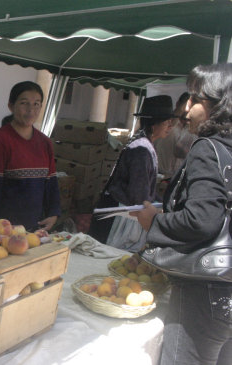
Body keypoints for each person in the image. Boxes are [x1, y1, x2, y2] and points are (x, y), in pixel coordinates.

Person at [132, 63, 232, 365]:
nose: (185, 109)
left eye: (194, 99)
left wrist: (155, 222)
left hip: (205, 292)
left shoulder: (208, 148)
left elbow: (202, 220)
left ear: (219, 104)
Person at [88, 95, 174, 251]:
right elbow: (138, 194)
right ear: (154, 124)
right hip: (120, 216)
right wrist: (155, 209)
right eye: (167, 122)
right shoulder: (141, 150)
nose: (170, 126)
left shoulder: (144, 144)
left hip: (126, 210)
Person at [0, 81, 60, 232]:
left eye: (36, 104)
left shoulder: (45, 143)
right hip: (6, 229)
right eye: (24, 103)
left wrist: (53, 213)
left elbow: (51, 182)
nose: (31, 110)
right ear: (11, 106)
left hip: (37, 226)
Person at [155, 92, 197, 178]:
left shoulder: (191, 128)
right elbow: (172, 121)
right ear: (178, 104)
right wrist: (180, 110)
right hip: (159, 175)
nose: (187, 109)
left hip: (176, 178)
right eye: (186, 105)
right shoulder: (167, 122)